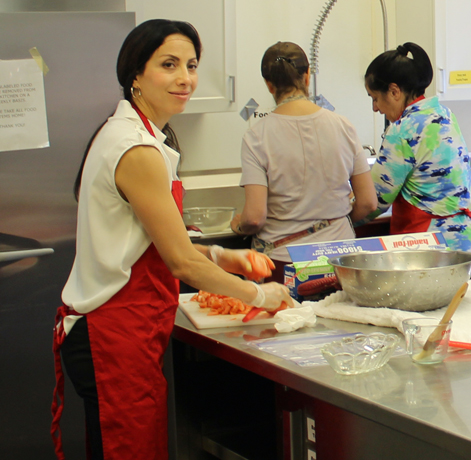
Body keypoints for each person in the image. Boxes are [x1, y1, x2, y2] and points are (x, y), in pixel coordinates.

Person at [50, 19, 292, 460]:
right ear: (135, 75)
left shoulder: (136, 134)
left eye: (192, 65)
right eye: (169, 64)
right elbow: (180, 263)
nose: (185, 78)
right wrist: (260, 293)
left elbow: (149, 243)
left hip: (125, 334)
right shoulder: (136, 149)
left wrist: (219, 255)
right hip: (114, 337)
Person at [230, 41, 378, 283]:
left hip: (284, 264)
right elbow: (368, 203)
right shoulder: (343, 125)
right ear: (307, 76)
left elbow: (254, 218)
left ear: (269, 85)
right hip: (342, 260)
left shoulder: (256, 136)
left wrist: (239, 226)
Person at [360, 41, 471, 280]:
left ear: (394, 91)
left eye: (375, 98)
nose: (375, 108)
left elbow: (374, 202)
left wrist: (336, 221)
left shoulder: (401, 130)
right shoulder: (444, 114)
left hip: (434, 253)